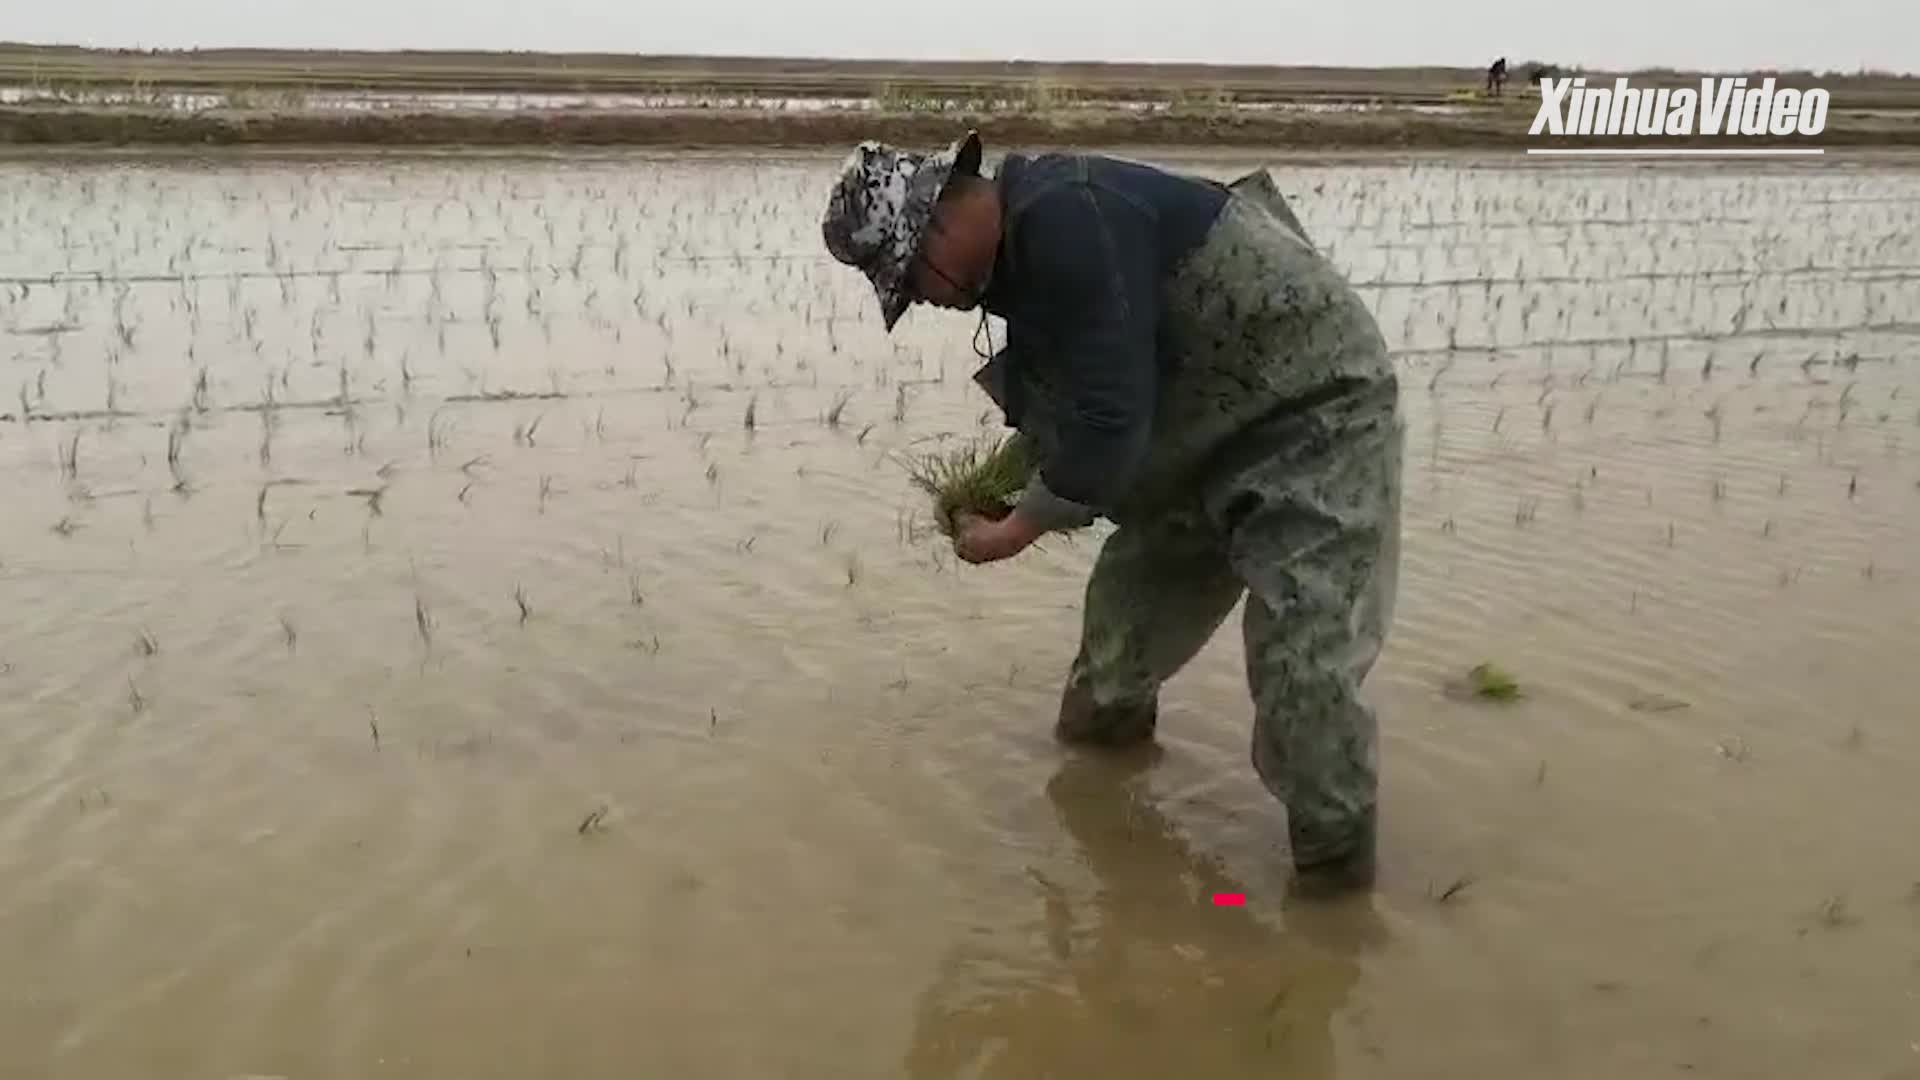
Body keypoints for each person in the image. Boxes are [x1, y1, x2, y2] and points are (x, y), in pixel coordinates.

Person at [820, 131, 1403, 896]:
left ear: (936, 227)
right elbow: (1061, 413)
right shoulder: (1020, 263)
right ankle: (1100, 796)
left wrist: (1017, 527)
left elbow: (1108, 416)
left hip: (1313, 418)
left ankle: (1333, 899)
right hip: (1197, 429)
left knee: (1304, 672)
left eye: (911, 283)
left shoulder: (1070, 217)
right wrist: (992, 486)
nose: (924, 301)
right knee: (1114, 655)